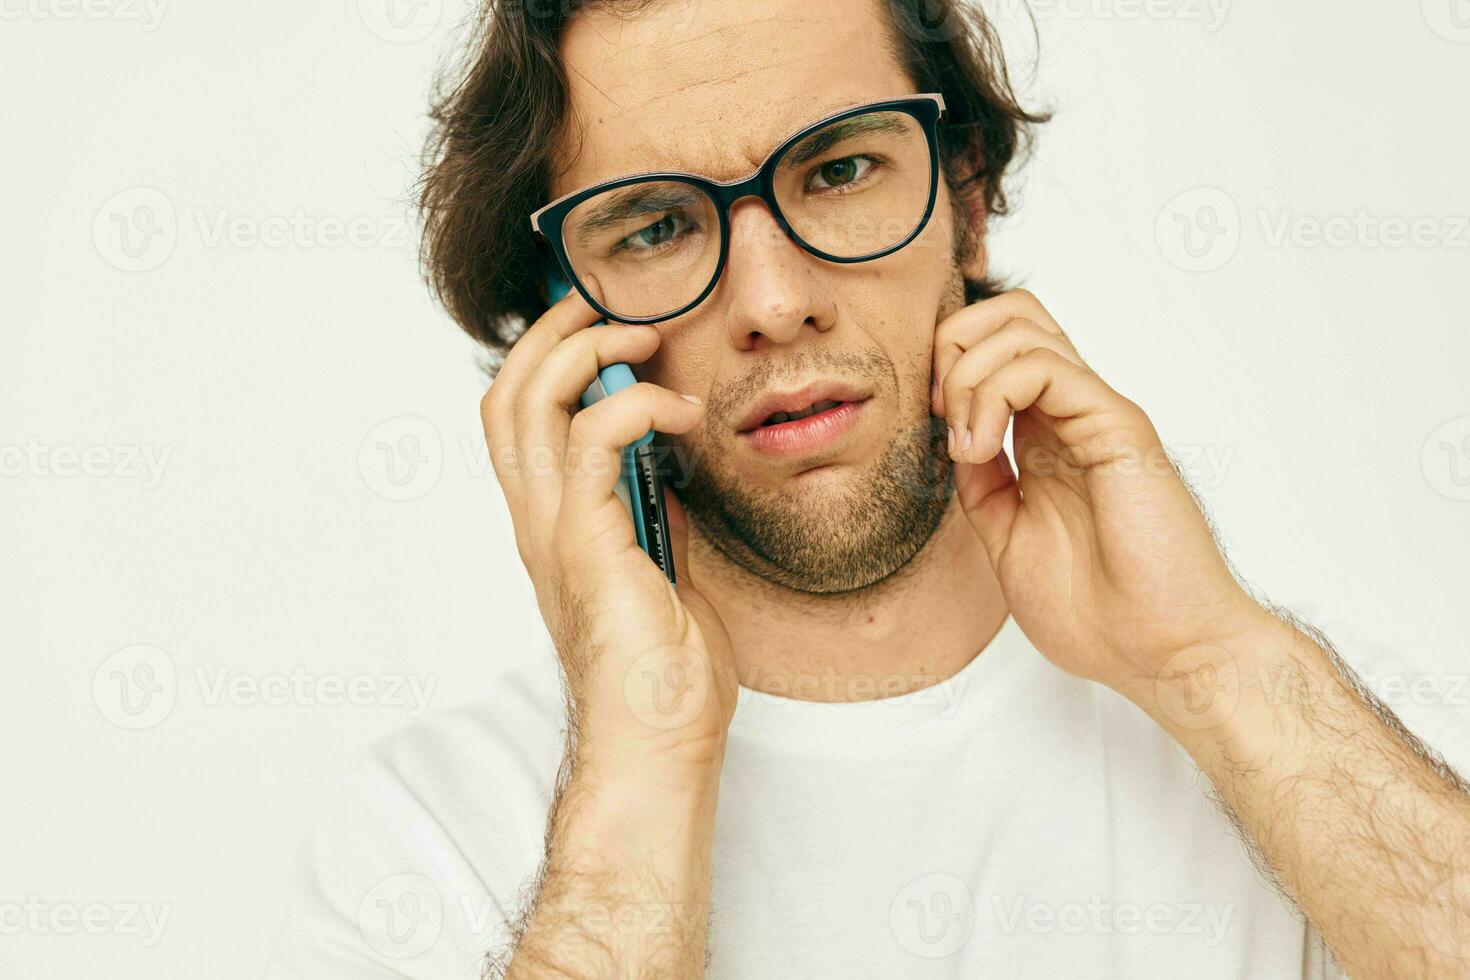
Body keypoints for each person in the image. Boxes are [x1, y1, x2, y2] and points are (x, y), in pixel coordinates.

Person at [268, 1, 1470, 977]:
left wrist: (1212, 665)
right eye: (656, 229)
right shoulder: (424, 840)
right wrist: (645, 749)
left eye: (840, 169)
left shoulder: (1315, 745)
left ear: (968, 202)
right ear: (564, 332)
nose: (775, 300)